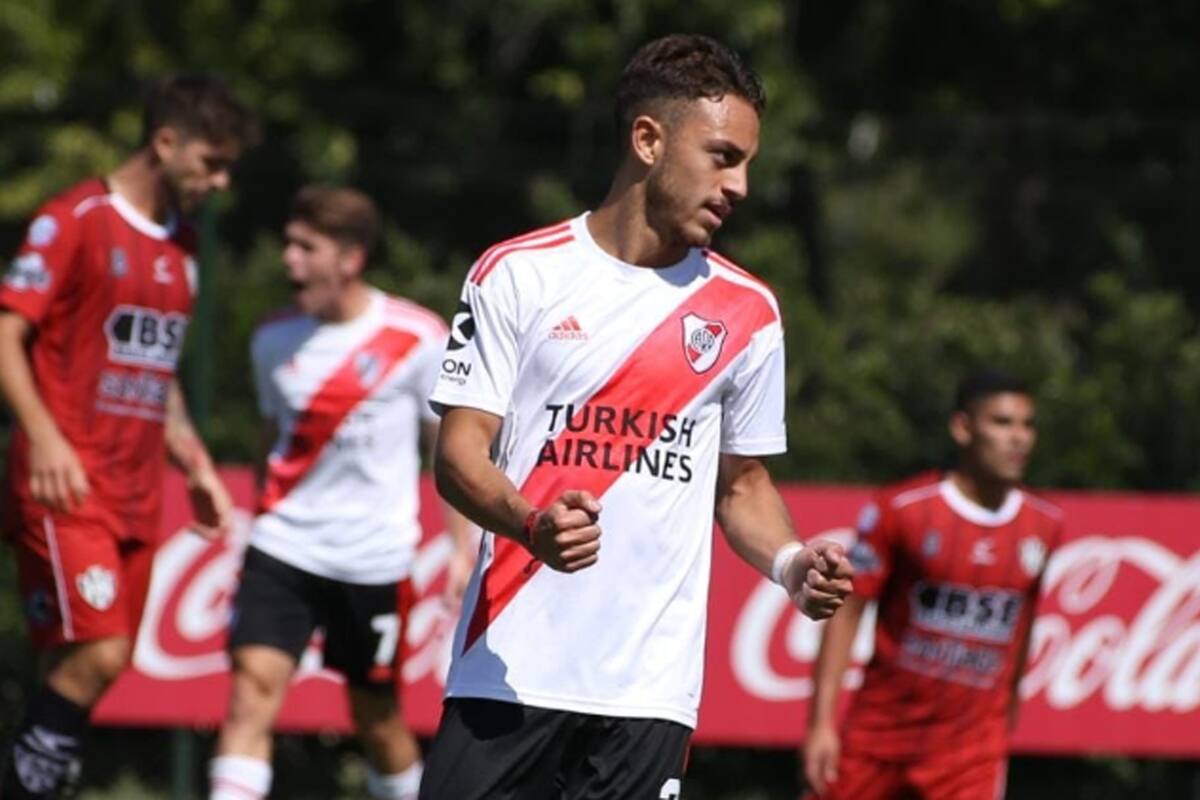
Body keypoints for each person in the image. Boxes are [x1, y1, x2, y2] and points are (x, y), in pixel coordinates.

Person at [418, 34, 853, 799]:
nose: (741, 185)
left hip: (648, 697)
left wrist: (791, 566)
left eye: (747, 162)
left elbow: (742, 485)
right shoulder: (518, 274)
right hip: (509, 673)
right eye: (723, 156)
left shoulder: (748, 312)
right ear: (648, 140)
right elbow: (458, 454)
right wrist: (531, 525)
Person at [0, 75, 255, 799]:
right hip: (67, 482)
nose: (221, 179)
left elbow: (157, 366)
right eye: (212, 161)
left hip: (137, 491)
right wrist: (44, 440)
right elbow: (6, 332)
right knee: (103, 654)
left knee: (72, 668)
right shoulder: (74, 218)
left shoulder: (184, 246)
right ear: (165, 142)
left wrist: (195, 459)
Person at [206, 186, 474, 800]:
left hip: (373, 557)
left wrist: (463, 548)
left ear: (350, 258)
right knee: (250, 694)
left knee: (377, 718)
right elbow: (270, 442)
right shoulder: (271, 340)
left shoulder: (417, 335)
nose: (289, 261)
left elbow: (449, 452)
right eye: (288, 245)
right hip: (284, 547)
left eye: (306, 248)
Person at [801, 370, 1064, 800]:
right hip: (878, 738)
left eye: (1027, 424)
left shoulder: (1044, 524)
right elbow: (847, 611)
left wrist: (1005, 724)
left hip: (970, 753)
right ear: (963, 428)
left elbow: (1023, 625)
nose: (1018, 437)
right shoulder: (904, 509)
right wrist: (820, 724)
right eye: (1002, 423)